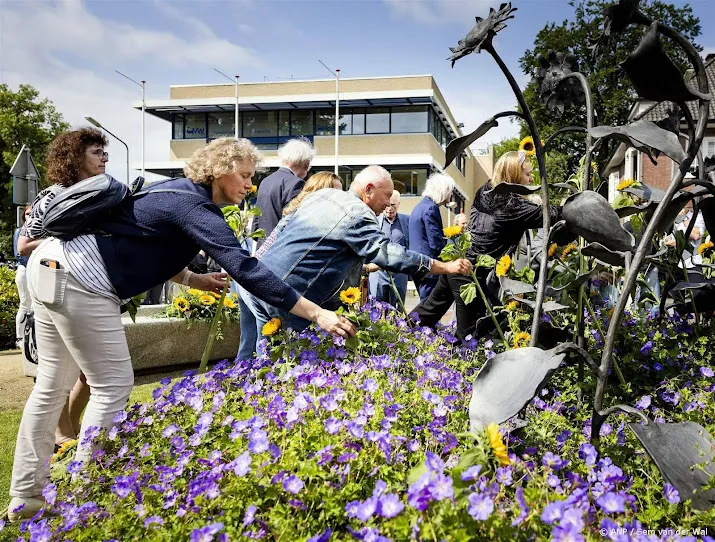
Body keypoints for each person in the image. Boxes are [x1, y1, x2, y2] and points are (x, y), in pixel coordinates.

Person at [8, 136, 355, 522]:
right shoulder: (194, 206)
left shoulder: (171, 193)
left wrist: (192, 279)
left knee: (51, 386)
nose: (250, 185)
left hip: (49, 265)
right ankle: (86, 497)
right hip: (82, 279)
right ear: (221, 171)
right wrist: (317, 313)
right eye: (244, 175)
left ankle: (26, 502)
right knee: (111, 384)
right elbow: (247, 268)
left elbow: (142, 241)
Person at [239, 165, 472, 356]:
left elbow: (283, 226)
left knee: (268, 358)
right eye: (387, 195)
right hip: (288, 295)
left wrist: (256, 267)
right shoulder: (357, 215)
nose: (389, 203)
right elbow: (388, 253)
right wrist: (445, 267)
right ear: (368, 190)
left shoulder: (324, 195)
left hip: (261, 282)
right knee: (302, 360)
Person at [413, 150, 570, 342]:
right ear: (514, 175)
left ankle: (398, 335)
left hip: (456, 263)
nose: (531, 180)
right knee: (469, 337)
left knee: (427, 313)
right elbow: (555, 214)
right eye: (527, 174)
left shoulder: (485, 191)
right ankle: (464, 369)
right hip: (469, 273)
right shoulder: (512, 207)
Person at [236, 171, 342, 360]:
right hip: (260, 282)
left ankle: (242, 382)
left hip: (251, 277)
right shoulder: (306, 220)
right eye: (336, 194)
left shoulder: (295, 212)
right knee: (267, 348)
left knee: (250, 345)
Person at [254, 137, 315, 247]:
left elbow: (256, 223)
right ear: (306, 164)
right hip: (281, 248)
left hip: (262, 248)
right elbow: (294, 223)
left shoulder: (265, 181)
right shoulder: (296, 183)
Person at [409, 173, 455, 300]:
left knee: (425, 305)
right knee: (430, 307)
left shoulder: (419, 207)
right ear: (443, 190)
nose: (451, 195)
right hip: (429, 268)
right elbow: (436, 243)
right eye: (450, 191)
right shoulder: (431, 208)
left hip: (418, 266)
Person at [367, 190, 411, 307]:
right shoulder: (374, 221)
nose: (390, 208)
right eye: (388, 205)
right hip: (378, 273)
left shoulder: (407, 221)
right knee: (375, 308)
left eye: (393, 205)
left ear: (399, 205)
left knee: (397, 309)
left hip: (399, 274)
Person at [13, 206, 32, 349]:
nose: (30, 216)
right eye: (27, 214)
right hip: (25, 271)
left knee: (33, 306)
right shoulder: (19, 232)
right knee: (25, 304)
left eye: (32, 214)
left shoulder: (36, 232)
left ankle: (29, 338)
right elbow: (19, 254)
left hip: (34, 272)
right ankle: (19, 338)